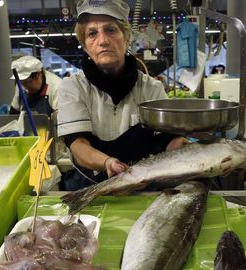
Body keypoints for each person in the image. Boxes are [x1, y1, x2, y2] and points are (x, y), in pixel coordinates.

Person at [57, 0, 187, 190]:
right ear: (85, 46)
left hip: (142, 188)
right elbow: (77, 145)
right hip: (89, 188)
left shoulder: (151, 89)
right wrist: (108, 163)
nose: (102, 41)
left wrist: (190, 152)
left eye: (110, 30)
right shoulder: (73, 87)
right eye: (92, 33)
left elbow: (168, 140)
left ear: (127, 38)